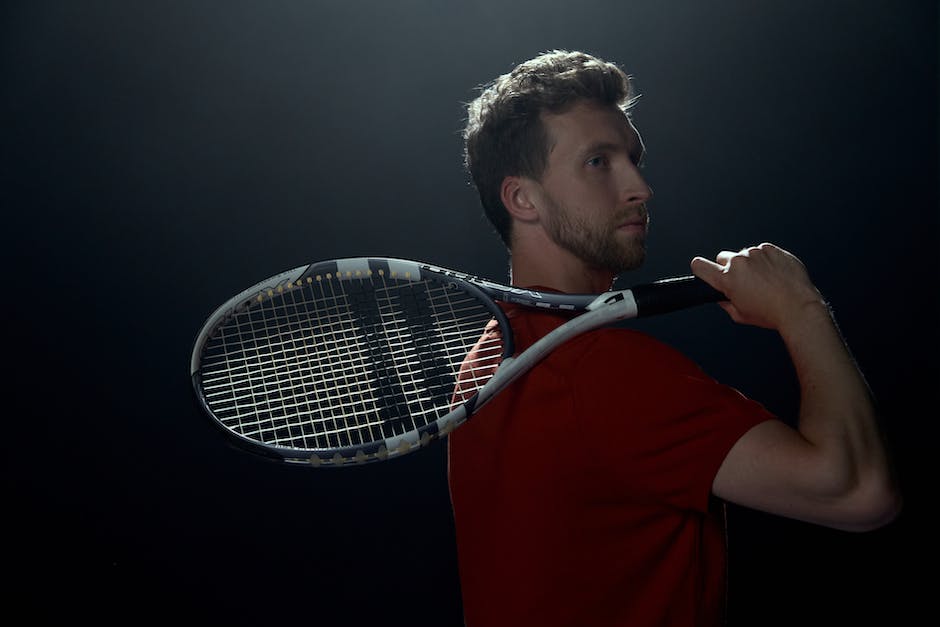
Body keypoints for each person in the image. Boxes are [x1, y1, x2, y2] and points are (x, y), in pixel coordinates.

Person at [446, 50, 901, 627]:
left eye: (633, 159)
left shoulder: (492, 354)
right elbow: (860, 493)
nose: (640, 187)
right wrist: (802, 308)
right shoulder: (597, 371)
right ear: (522, 199)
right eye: (598, 162)